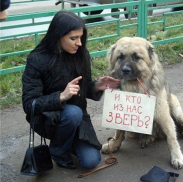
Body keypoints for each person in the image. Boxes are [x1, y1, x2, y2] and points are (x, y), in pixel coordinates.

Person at [22, 10, 119, 170]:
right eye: (73, 38)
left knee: (91, 161)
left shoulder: (81, 55)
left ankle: (67, 141)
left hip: (77, 117)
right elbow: (29, 104)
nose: (79, 43)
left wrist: (96, 86)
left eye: (80, 37)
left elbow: (83, 88)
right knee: (73, 113)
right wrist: (60, 97)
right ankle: (58, 151)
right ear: (58, 35)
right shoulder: (36, 60)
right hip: (48, 119)